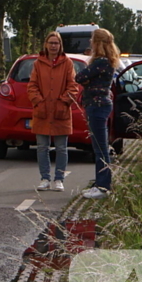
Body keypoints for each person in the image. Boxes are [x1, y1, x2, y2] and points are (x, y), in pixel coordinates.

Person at [27, 32, 79, 192]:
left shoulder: (67, 63)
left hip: (60, 112)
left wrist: (63, 102)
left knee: (61, 148)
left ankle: (59, 179)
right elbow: (32, 85)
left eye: (56, 43)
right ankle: (44, 178)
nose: (53, 46)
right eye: (51, 43)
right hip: (42, 111)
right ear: (46, 44)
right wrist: (39, 101)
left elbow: (73, 86)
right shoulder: (38, 63)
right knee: (42, 147)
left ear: (60, 45)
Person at [76, 28, 121, 200]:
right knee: (99, 146)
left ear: (97, 42)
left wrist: (88, 81)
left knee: (100, 148)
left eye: (92, 39)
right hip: (101, 105)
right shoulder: (108, 61)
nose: (90, 42)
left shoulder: (100, 62)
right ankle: (100, 183)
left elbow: (79, 77)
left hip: (97, 106)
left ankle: (103, 186)